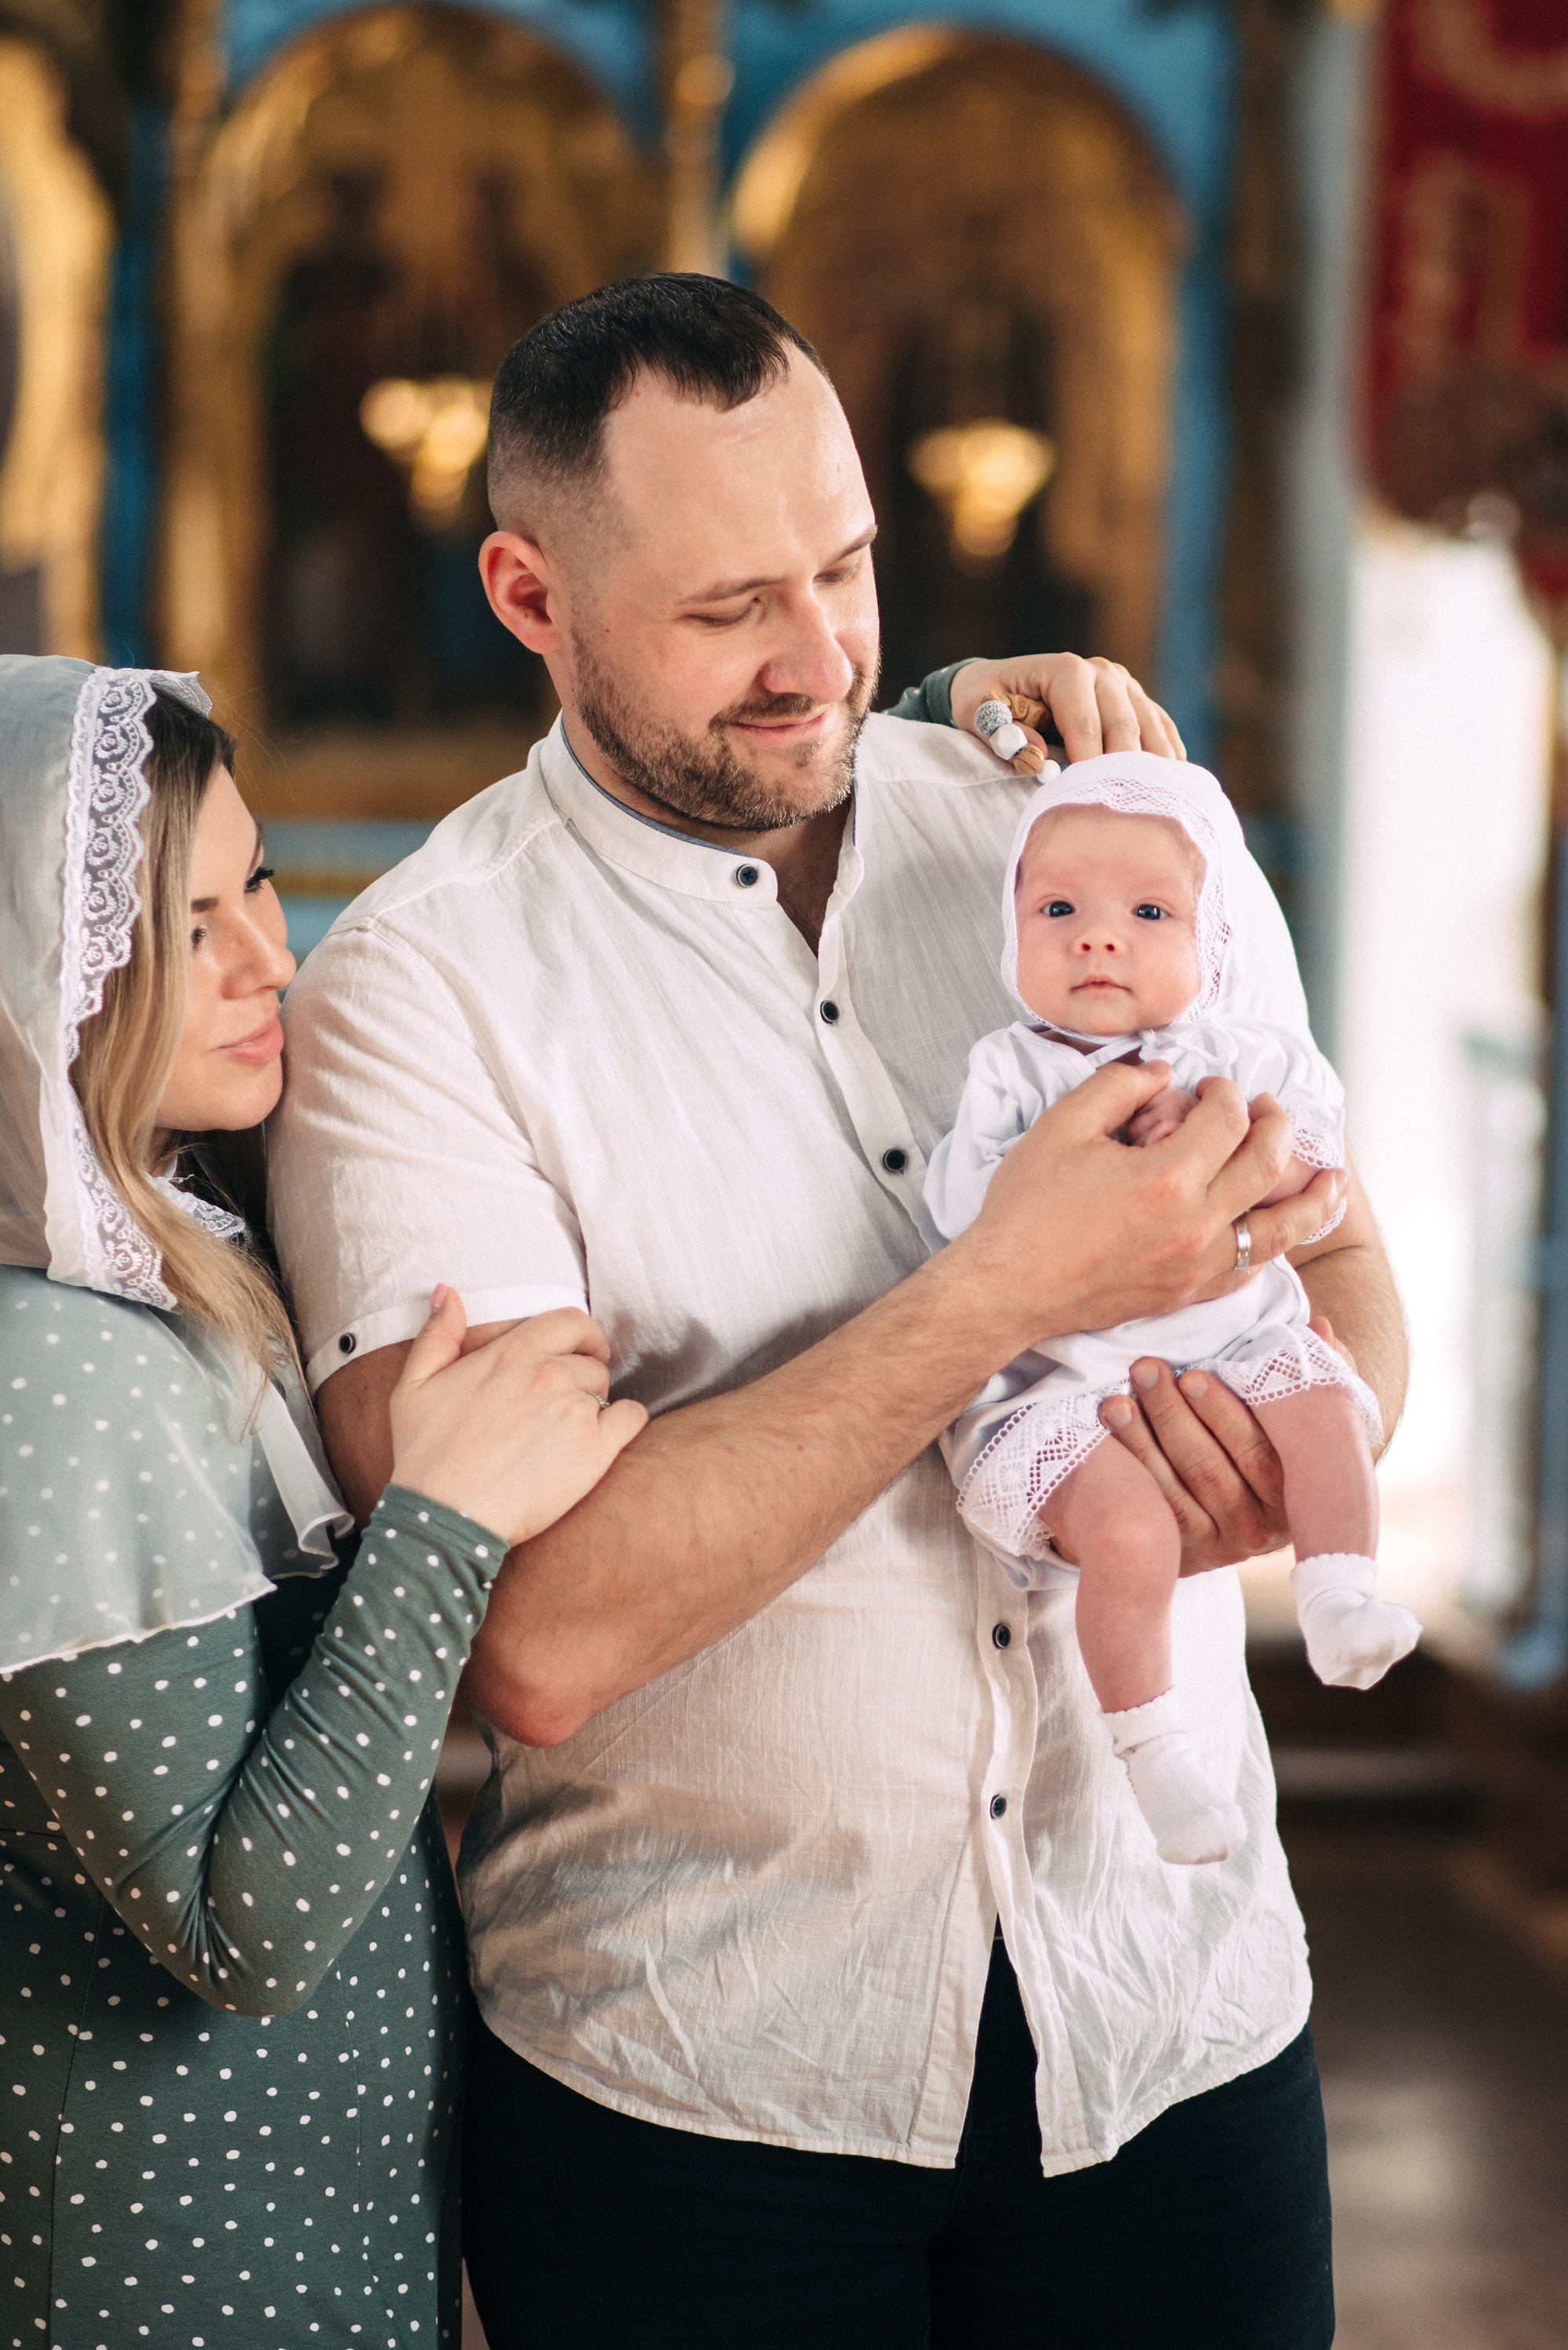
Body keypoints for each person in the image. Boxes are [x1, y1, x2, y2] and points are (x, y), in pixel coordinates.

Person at [272, 275, 1404, 2348]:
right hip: (700, 2094)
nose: (820, 656)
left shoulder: (1075, 830)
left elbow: (1337, 1260)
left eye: (849, 562)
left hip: (1178, 2019)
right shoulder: (409, 1005)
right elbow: (533, 1635)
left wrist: (1282, 1461)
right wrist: (1000, 1293)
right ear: (531, 591)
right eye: (727, 609)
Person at [0, 656, 643, 2350]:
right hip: (174, 2270)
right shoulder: (49, 1365)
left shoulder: (171, 1256)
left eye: (259, 881)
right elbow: (244, 1920)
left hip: (307, 2240)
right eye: (185, 921)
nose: (268, 957)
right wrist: (440, 1524)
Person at [925, 751, 1419, 1867]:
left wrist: (1246, 1149)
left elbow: (1315, 1184)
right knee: (1129, 1536)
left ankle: (1342, 1589)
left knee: (1330, 1403)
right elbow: (964, 1210)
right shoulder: (1011, 1071)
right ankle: (1154, 1756)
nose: (1098, 936)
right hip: (1064, 1386)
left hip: (1228, 1344)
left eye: (1148, 910)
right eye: (1058, 908)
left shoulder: (1241, 1055)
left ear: (1214, 942)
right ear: (1011, 935)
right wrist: (1076, 1161)